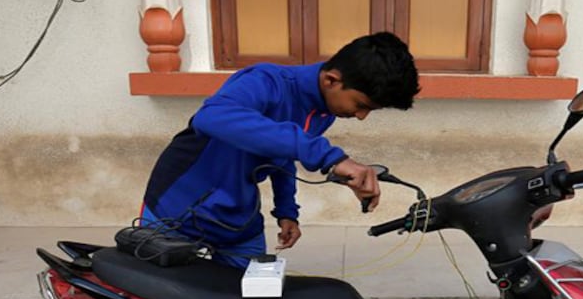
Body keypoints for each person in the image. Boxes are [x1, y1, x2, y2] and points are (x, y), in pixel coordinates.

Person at [140, 32, 420, 268]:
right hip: (176, 209)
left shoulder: (324, 111)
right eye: (361, 105)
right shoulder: (265, 81)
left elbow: (282, 154)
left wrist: (287, 212)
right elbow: (211, 117)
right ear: (331, 80)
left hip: (237, 216)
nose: (361, 116)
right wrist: (329, 156)